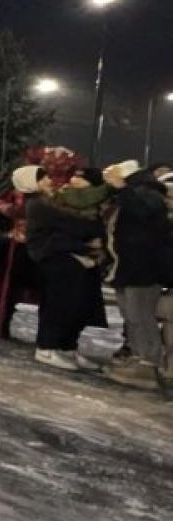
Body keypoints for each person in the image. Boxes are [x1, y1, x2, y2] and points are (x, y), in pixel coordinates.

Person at [26, 148, 110, 372]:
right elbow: (71, 228)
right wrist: (87, 243)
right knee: (58, 306)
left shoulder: (65, 200)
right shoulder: (41, 204)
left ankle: (66, 346)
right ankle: (47, 346)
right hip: (59, 258)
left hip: (79, 259)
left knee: (77, 306)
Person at [100, 160, 171, 388]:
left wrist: (122, 189)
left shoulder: (149, 195)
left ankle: (149, 362)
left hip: (143, 268)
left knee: (140, 315)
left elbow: (142, 211)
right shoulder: (131, 195)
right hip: (126, 266)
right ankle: (139, 356)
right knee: (131, 316)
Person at [0, 165, 42, 339]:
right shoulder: (17, 192)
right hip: (16, 245)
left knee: (37, 289)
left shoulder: (46, 195)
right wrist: (6, 209)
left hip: (37, 246)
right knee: (9, 288)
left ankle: (45, 332)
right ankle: (2, 322)